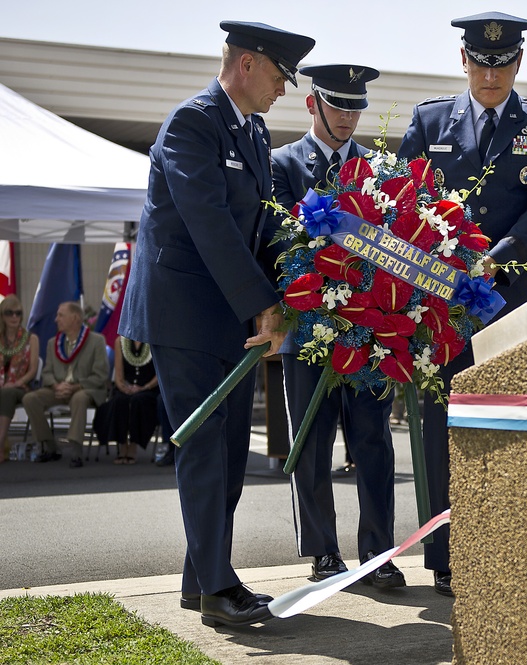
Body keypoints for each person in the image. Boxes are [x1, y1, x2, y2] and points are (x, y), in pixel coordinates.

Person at [119, 21, 314, 628]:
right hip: (185, 314)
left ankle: (199, 577)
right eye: (281, 75)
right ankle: (218, 590)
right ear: (249, 65)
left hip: (226, 316)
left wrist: (304, 281)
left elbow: (261, 227)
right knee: (206, 450)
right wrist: (263, 301)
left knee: (228, 451)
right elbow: (209, 222)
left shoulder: (251, 130)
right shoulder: (193, 122)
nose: (285, 89)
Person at [397, 11, 527, 596]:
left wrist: (495, 255)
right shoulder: (429, 121)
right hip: (443, 301)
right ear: (463, 61)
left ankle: (519, 545)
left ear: (518, 64)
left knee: (519, 420)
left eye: (502, 65)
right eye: (480, 62)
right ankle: (447, 557)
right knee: (443, 421)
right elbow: (404, 196)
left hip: (516, 296)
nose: (490, 75)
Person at [271, 64, 405, 589]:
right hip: (307, 330)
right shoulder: (282, 164)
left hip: (369, 330)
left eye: (356, 108)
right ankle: (324, 552)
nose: (348, 117)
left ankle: (378, 553)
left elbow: (398, 248)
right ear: (312, 105)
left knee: (373, 439)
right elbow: (278, 242)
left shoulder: (379, 169)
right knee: (312, 439)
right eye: (338, 106)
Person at [22, 301, 109, 467]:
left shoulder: (96, 341)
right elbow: (46, 372)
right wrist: (56, 385)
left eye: (61, 315)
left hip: (85, 389)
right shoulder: (52, 343)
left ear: (75, 318)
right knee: (30, 399)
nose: (56, 319)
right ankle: (50, 446)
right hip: (58, 389)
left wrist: (75, 387)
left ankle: (76, 450)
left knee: (79, 398)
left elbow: (101, 374)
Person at [93, 336, 159, 464]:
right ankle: (122, 445)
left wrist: (144, 387)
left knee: (138, 401)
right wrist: (124, 387)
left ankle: (134, 445)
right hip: (126, 387)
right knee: (120, 401)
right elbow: (118, 375)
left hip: (148, 389)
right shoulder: (120, 342)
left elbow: (159, 375)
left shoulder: (154, 341)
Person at [0, 295, 40, 463]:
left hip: (21, 386)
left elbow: (32, 370)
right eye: (10, 313)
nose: (14, 317)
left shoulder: (31, 338)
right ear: (2, 315)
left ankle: (0, 445)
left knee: (8, 394)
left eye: (18, 313)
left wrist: (15, 383)